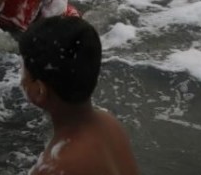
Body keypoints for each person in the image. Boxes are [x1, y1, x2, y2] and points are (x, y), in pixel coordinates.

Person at [20, 16, 139, 175]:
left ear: (40, 90)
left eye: (23, 71)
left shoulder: (55, 168)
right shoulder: (109, 124)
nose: (20, 78)